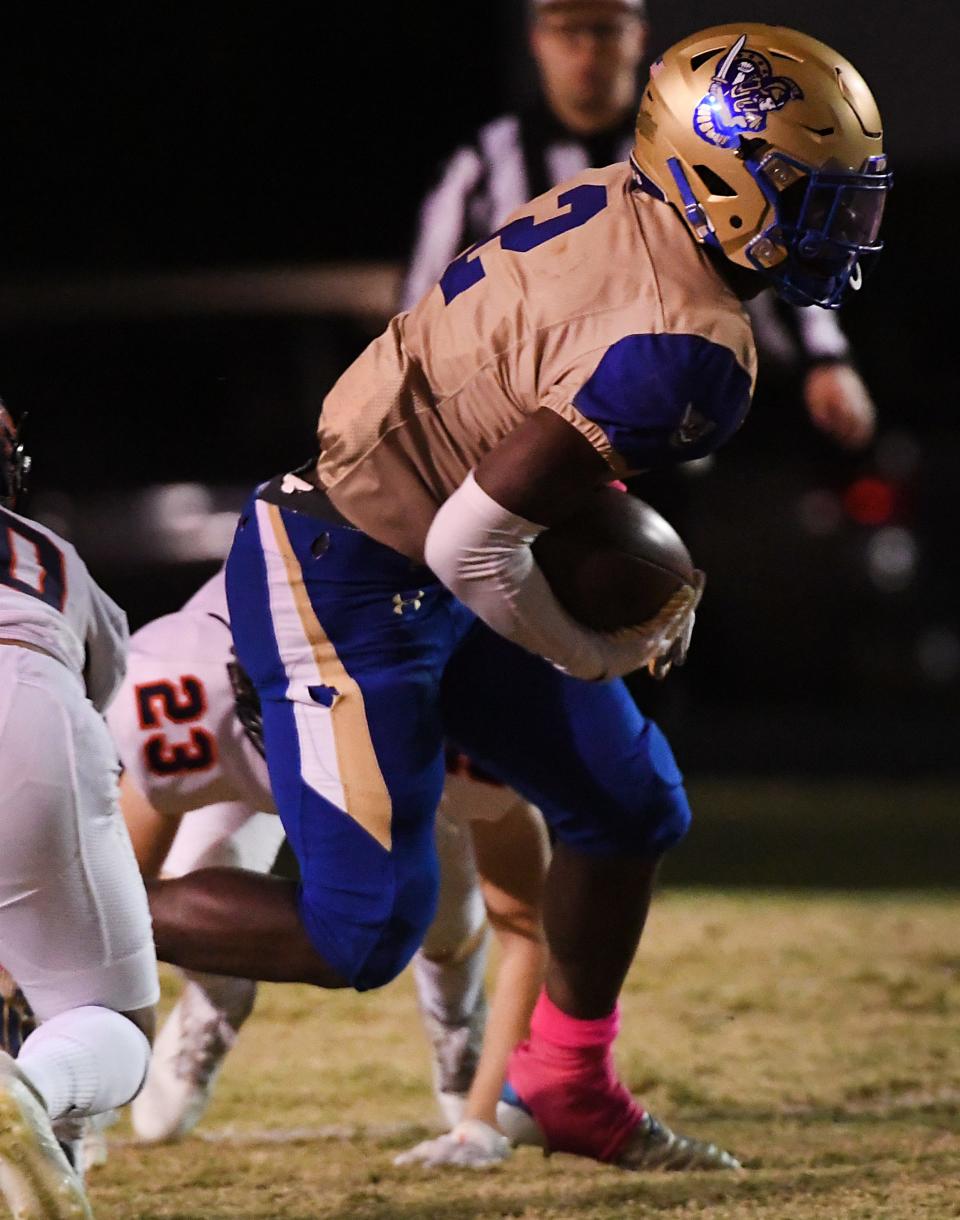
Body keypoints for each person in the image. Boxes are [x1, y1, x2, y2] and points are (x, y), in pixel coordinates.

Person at [144, 23, 890, 1173]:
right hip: (346, 563)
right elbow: (473, 542)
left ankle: (568, 1083)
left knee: (629, 801)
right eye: (811, 193)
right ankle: (69, 914)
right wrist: (592, 652)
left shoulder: (621, 196)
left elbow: (492, 497)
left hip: (429, 526)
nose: (842, 222)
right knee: (367, 931)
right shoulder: (694, 349)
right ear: (720, 182)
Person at [99, 569, 547, 1166]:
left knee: (439, 917)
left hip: (397, 775)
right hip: (249, 755)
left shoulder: (466, 724)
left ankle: (456, 1017)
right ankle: (217, 997)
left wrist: (483, 1123)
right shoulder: (186, 693)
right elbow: (117, 903)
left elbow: (527, 924)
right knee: (184, 890)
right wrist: (80, 1091)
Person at [403, 0, 877, 452]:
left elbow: (768, 240)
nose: (587, 51)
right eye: (568, 31)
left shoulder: (700, 145)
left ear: (638, 37)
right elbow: (420, 307)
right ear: (537, 40)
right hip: (528, 419)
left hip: (685, 400)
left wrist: (826, 361)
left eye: (606, 30)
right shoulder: (484, 164)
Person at [0, 403, 159, 1218]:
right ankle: (28, 1090)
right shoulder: (47, 552)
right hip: (25, 704)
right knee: (108, 1020)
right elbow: (101, 686)